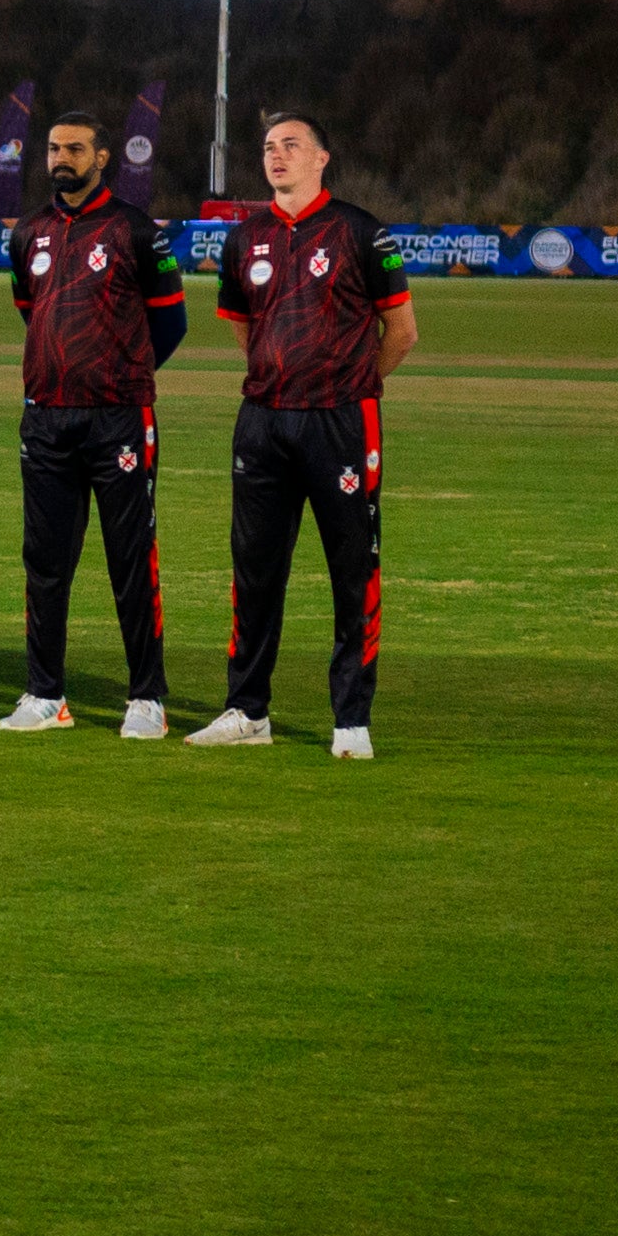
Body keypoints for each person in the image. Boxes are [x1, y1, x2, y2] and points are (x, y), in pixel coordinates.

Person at [204, 109, 410, 757]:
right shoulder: (244, 240)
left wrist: (351, 385)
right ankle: (246, 711)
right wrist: (277, 375)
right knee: (255, 571)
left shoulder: (360, 232)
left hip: (340, 420)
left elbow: (400, 331)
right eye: (268, 146)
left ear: (322, 158)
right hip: (262, 421)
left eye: (291, 144)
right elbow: (242, 326)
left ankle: (350, 719)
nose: (276, 155)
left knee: (352, 570)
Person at [3, 111, 183, 735]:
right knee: (45, 563)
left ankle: (147, 699)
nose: (62, 158)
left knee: (130, 558)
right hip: (47, 419)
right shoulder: (29, 232)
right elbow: (33, 311)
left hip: (118, 421)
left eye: (75, 149)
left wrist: (118, 373)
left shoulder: (135, 230)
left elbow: (170, 324)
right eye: (54, 148)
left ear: (102, 158)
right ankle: (45, 696)